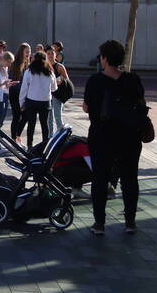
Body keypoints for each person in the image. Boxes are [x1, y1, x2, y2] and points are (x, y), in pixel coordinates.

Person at [83, 40, 147, 235]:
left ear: (104, 59)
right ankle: (130, 222)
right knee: (129, 178)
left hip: (102, 135)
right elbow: (142, 102)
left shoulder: (94, 81)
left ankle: (99, 223)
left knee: (100, 179)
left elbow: (87, 107)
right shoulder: (133, 79)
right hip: (129, 136)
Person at [19, 51, 57, 148]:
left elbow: (24, 89)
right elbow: (54, 88)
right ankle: (45, 145)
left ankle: (29, 145)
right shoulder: (50, 72)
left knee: (31, 124)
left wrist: (21, 102)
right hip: (45, 102)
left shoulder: (29, 71)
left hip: (31, 101)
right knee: (45, 125)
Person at [8, 43, 31, 142]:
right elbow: (13, 79)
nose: (28, 53)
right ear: (21, 52)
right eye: (26, 51)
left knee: (25, 116)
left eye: (29, 51)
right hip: (15, 92)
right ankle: (14, 138)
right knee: (17, 116)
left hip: (23, 93)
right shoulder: (15, 63)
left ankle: (17, 135)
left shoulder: (27, 63)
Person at [46, 48, 69, 134]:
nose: (50, 55)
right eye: (48, 53)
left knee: (57, 116)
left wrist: (59, 79)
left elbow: (66, 78)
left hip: (57, 94)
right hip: (47, 94)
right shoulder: (45, 66)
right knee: (49, 118)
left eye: (52, 53)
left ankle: (60, 136)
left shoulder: (59, 66)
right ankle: (50, 137)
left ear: (55, 55)